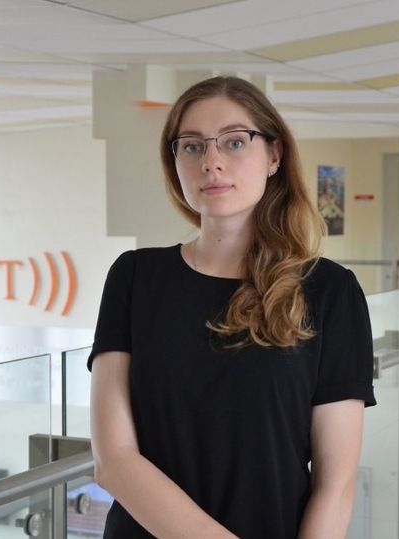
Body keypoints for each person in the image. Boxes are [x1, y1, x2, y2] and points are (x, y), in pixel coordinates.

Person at [88, 75, 376, 539]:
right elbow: (113, 461)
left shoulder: (329, 291)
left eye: (235, 142)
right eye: (192, 146)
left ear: (274, 156)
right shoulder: (135, 276)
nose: (212, 162)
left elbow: (335, 486)